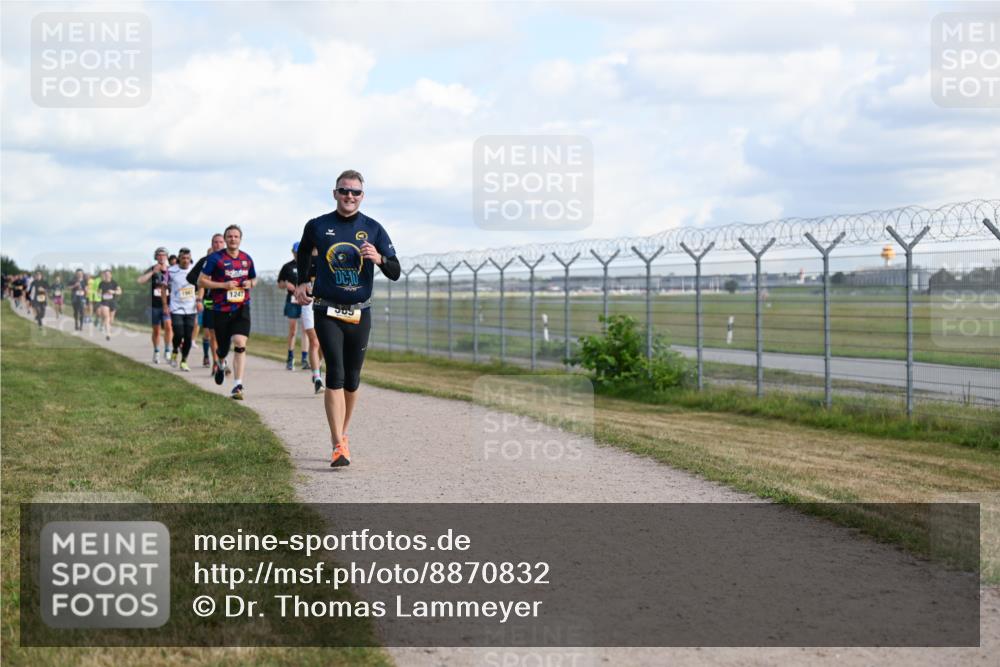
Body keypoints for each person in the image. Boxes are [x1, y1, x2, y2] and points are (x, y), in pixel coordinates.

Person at [294, 170, 401, 467]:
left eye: (355, 192)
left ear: (362, 196)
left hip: (360, 310)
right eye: (344, 191)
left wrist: (379, 258)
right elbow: (303, 252)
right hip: (326, 308)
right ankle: (337, 443)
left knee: (352, 379)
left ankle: (343, 433)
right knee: (336, 373)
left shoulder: (373, 229)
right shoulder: (318, 225)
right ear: (335, 193)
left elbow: (395, 271)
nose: (349, 196)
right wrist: (303, 282)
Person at [198, 225, 257, 400]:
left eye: (236, 236)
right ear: (225, 240)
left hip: (241, 307)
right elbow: (201, 281)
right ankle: (221, 362)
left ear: (240, 239)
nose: (233, 239)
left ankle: (238, 385)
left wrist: (250, 284)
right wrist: (223, 285)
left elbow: (253, 278)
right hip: (221, 309)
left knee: (240, 343)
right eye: (229, 236)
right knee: (222, 348)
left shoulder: (247, 259)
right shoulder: (215, 259)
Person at [189, 234, 226, 372]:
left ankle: (221, 358)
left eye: (220, 242)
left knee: (225, 333)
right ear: (212, 244)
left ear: (225, 243)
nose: (218, 244)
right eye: (215, 242)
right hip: (210, 300)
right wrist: (199, 298)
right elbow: (196, 280)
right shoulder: (206, 261)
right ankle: (216, 361)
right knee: (211, 332)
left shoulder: (230, 259)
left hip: (226, 300)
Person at [277, 242, 310, 371]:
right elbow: (279, 284)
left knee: (306, 330)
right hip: (292, 301)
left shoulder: (309, 264)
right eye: (296, 252)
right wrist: (286, 284)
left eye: (300, 251)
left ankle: (304, 359)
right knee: (292, 331)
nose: (298, 254)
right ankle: (290, 358)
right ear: (293, 252)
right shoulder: (287, 267)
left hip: (306, 301)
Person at [138, 248, 173, 364]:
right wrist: (153, 272)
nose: (162, 257)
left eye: (164, 255)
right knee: (156, 330)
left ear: (167, 257)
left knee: (168, 326)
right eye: (159, 255)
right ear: (156, 257)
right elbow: (140, 281)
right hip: (154, 305)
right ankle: (157, 351)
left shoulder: (171, 270)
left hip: (168, 304)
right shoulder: (152, 269)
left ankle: (167, 349)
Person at [166, 248, 198, 371]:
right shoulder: (171, 271)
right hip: (176, 307)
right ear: (179, 258)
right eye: (183, 258)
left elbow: (201, 286)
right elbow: (164, 287)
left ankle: (184, 360)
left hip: (191, 307)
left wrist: (199, 300)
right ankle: (174, 350)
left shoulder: (195, 270)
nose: (185, 260)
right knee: (179, 333)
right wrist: (165, 304)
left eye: (187, 258)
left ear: (190, 259)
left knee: (188, 336)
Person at [97, 269, 121, 340]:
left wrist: (113, 292)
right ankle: (108, 334)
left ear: (111, 275)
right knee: (106, 317)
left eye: (108, 274)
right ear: (104, 275)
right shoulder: (101, 283)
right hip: (104, 301)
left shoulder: (114, 283)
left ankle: (107, 328)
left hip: (112, 302)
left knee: (111, 319)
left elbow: (120, 291)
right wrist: (99, 295)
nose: (107, 275)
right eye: (105, 274)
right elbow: (98, 292)